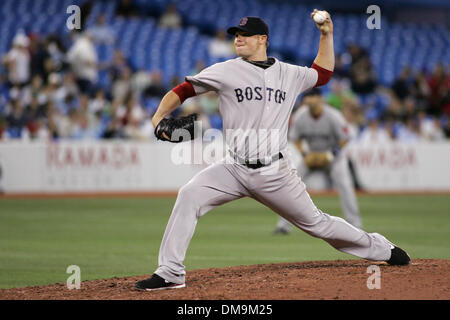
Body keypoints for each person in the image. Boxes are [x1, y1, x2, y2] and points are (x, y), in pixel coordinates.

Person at [135, 12, 410, 292]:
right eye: (236, 34)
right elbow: (183, 90)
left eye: (244, 34)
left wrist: (326, 34)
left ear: (262, 39)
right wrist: (158, 117)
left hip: (274, 172)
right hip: (233, 168)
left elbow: (323, 74)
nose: (238, 39)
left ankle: (380, 248)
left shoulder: (289, 73)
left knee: (318, 225)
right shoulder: (225, 70)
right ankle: (170, 272)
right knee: (189, 194)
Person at [273, 88, 363, 235]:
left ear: (320, 99)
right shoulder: (301, 116)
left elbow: (345, 138)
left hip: (334, 158)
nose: (309, 102)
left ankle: (356, 225)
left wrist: (330, 155)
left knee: (346, 186)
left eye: (312, 98)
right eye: (307, 99)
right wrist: (305, 154)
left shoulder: (333, 116)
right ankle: (283, 225)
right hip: (312, 156)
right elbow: (295, 138)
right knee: (290, 184)